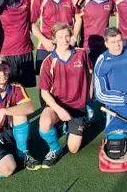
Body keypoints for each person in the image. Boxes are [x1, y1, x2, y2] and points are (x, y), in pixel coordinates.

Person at [38, 23, 93, 169]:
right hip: (57, 106)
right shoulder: (49, 61)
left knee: (73, 149)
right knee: (44, 123)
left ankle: (75, 121)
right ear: (54, 39)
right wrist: (59, 110)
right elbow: (44, 92)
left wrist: (89, 93)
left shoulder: (81, 54)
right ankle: (55, 149)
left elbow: (89, 73)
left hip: (77, 107)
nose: (65, 39)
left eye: (67, 35)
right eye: (60, 37)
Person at [31, 0, 82, 75]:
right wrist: (44, 41)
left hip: (68, 45)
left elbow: (78, 19)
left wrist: (73, 38)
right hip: (47, 47)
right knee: (46, 84)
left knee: (70, 81)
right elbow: (31, 24)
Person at [79, 0, 114, 65]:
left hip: (105, 46)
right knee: (88, 77)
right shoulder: (82, 1)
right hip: (87, 47)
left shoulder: (110, 1)